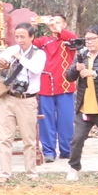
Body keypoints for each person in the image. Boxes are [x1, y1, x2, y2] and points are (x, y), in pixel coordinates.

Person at [0, 22, 46, 182]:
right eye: (17, 37)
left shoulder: (39, 54)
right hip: (8, 98)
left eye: (23, 36)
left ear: (32, 37)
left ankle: (31, 173)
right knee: (4, 138)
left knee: (28, 139)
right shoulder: (12, 50)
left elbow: (36, 69)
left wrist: (20, 57)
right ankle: (5, 174)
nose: (19, 40)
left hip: (27, 100)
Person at [64, 26, 98, 181]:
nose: (88, 42)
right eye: (86, 39)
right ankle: (74, 167)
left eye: (92, 39)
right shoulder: (80, 56)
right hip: (84, 108)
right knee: (77, 140)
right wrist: (76, 69)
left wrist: (94, 73)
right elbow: (68, 76)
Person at [33, 15, 78, 163]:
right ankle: (48, 151)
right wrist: (32, 27)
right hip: (45, 85)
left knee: (66, 119)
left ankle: (67, 150)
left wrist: (59, 29)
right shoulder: (44, 41)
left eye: (58, 22)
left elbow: (77, 41)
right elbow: (29, 44)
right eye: (52, 22)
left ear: (65, 24)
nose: (54, 24)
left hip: (65, 84)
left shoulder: (69, 40)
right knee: (46, 120)